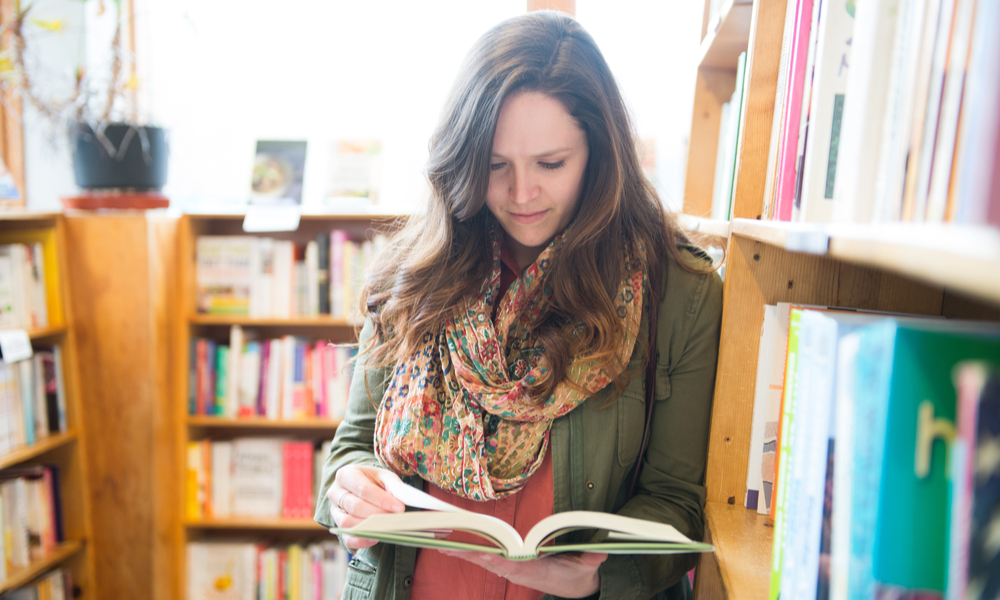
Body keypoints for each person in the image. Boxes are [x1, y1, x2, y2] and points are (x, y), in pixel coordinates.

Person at [314, 10, 723, 600]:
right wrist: (351, 490)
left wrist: (597, 576)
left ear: (601, 152)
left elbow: (679, 500)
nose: (521, 194)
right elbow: (353, 447)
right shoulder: (418, 270)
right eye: (495, 165)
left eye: (551, 164)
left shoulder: (678, 292)